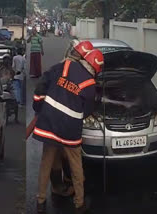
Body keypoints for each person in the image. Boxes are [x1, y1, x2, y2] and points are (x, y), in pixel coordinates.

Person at [31, 40, 104, 214]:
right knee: (76, 166)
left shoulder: (63, 67)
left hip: (49, 123)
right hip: (70, 130)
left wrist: (38, 106)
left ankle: (40, 202)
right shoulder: (90, 85)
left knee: (45, 163)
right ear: (95, 68)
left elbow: (41, 85)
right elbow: (86, 111)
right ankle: (79, 203)